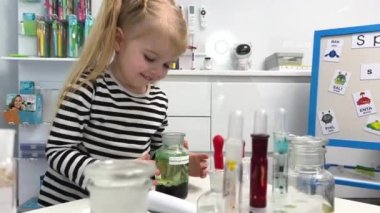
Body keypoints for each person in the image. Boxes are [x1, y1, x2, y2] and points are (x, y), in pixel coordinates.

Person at [38, 0, 208, 207]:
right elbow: (58, 150)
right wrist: (115, 176)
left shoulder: (158, 102)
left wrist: (177, 162)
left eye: (167, 64)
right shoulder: (89, 87)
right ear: (119, 40)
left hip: (120, 204)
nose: (158, 72)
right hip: (70, 204)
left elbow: (154, 156)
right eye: (149, 57)